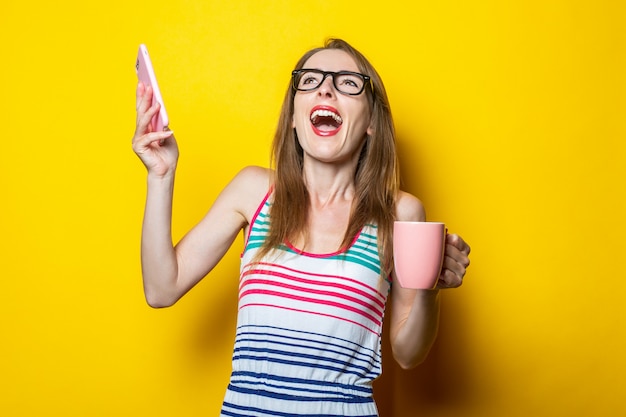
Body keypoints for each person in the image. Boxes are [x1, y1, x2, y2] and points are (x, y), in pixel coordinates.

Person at [132, 38, 471, 417]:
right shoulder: (254, 191)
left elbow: (408, 354)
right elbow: (161, 288)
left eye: (347, 83)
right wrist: (161, 176)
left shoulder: (399, 214)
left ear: (372, 122)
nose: (325, 88)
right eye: (309, 81)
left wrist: (429, 287)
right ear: (294, 116)